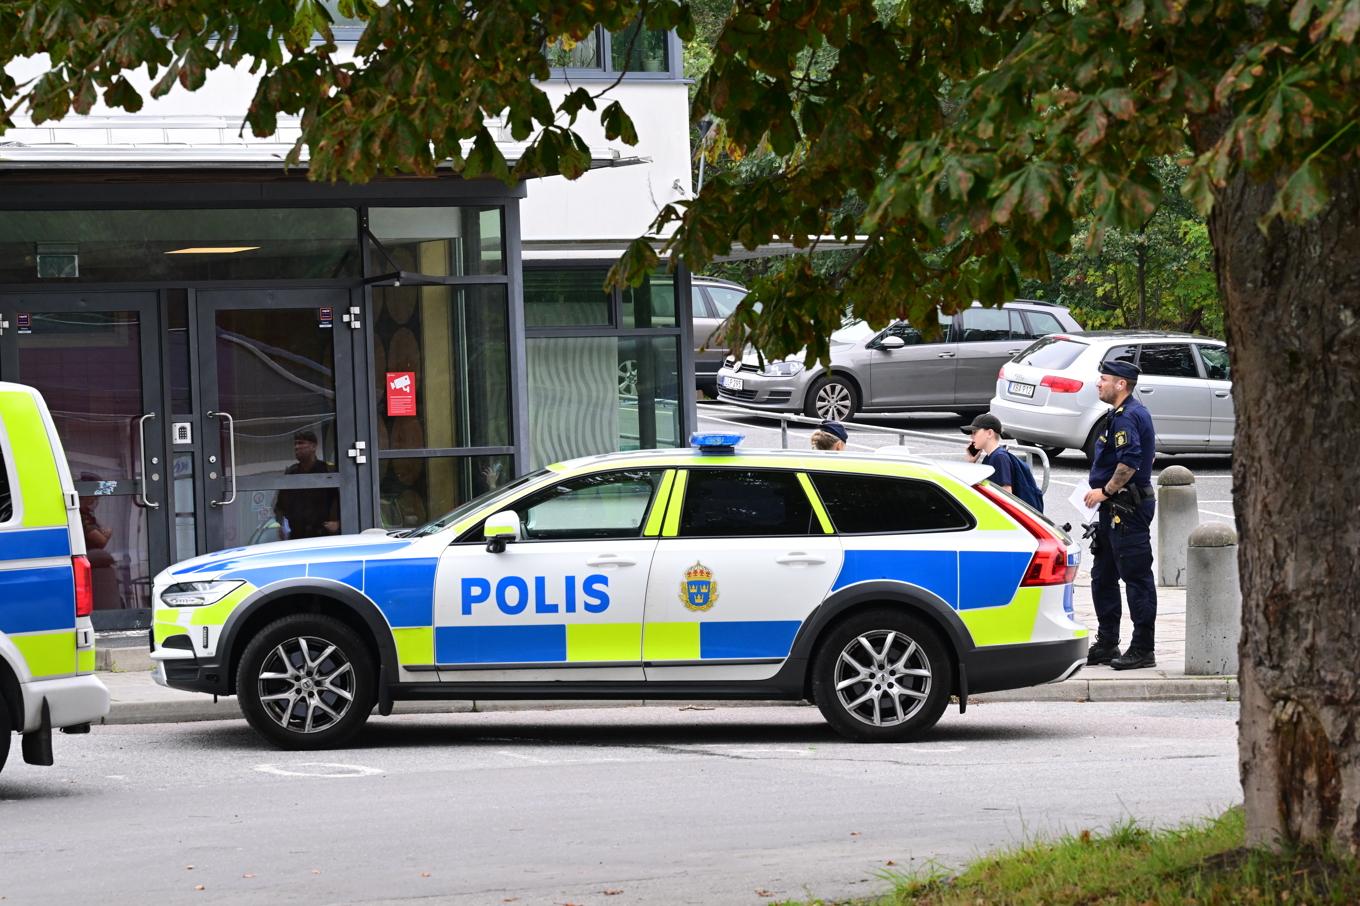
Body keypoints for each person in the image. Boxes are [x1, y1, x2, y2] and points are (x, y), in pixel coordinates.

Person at [1082, 360, 1158, 670]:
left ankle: (1143, 648)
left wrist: (1106, 491)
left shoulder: (1128, 417)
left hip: (1127, 509)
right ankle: (1107, 641)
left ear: (1121, 384)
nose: (1098, 384)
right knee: (1103, 576)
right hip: (1113, 511)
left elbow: (1129, 463)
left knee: (1136, 578)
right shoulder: (1115, 415)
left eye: (1104, 379)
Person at [961, 413, 1045, 512]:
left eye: (975, 432)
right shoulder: (991, 457)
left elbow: (1005, 495)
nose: (971, 437)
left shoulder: (999, 457)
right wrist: (971, 462)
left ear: (989, 433)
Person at [273, 430, 340, 540]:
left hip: (324, 538)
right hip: (297, 537)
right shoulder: (291, 473)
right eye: (295, 444)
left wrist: (339, 523)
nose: (296, 447)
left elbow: (345, 503)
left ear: (313, 446)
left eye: (301, 443)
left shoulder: (328, 471)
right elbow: (279, 506)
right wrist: (281, 525)